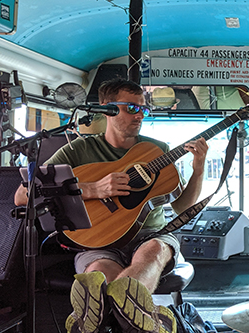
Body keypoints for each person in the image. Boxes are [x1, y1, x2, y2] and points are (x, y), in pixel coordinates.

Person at [14, 79, 209, 333]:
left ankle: (96, 315)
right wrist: (94, 188)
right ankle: (144, 318)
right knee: (99, 271)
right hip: (98, 237)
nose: (139, 115)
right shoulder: (79, 150)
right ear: (107, 109)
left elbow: (183, 207)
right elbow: (22, 195)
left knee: (151, 251)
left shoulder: (157, 151)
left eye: (143, 109)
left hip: (151, 235)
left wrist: (199, 169)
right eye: (131, 108)